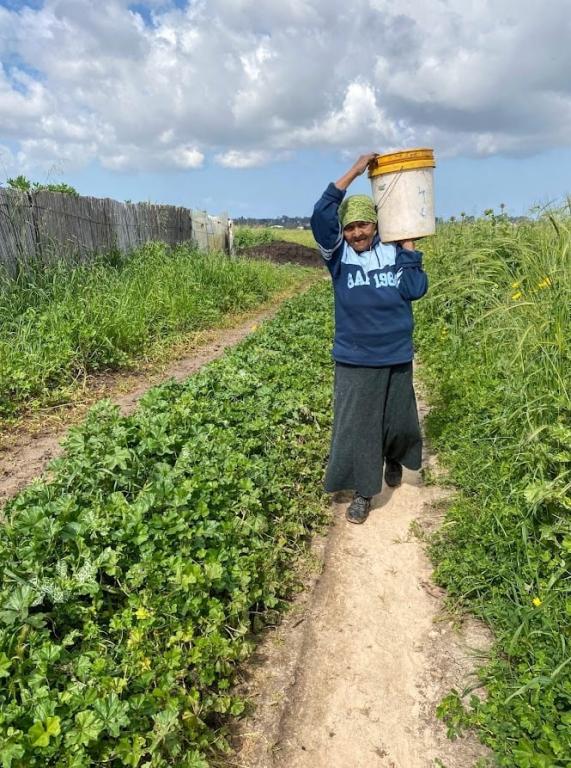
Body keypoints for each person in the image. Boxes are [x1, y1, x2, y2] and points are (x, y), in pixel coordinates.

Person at [310, 152, 428, 524]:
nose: (357, 233)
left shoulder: (393, 252)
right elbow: (320, 214)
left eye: (364, 225)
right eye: (350, 227)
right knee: (360, 426)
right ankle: (364, 491)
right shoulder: (338, 256)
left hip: (395, 353)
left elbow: (415, 289)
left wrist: (409, 250)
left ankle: (395, 457)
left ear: (376, 225)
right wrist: (354, 172)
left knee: (400, 420)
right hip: (355, 357)